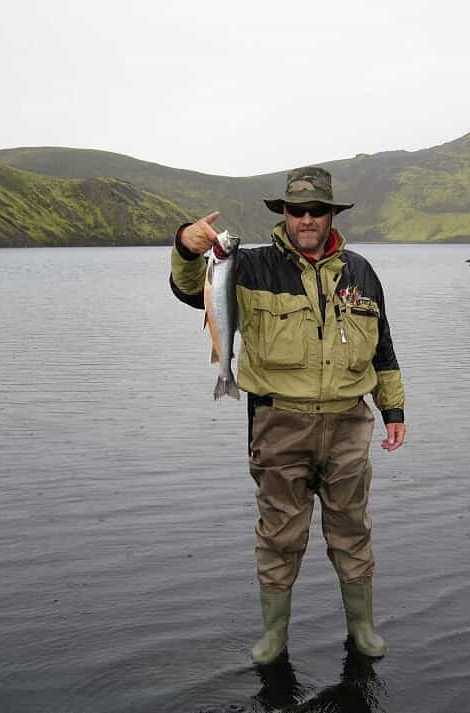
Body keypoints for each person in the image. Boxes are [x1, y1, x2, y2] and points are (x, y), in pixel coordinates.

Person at [169, 166, 406, 664]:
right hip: (279, 426)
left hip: (348, 424)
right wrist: (188, 249)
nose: (306, 219)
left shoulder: (361, 272)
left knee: (352, 529)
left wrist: (394, 409)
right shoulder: (247, 267)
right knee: (280, 535)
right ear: (284, 215)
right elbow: (194, 292)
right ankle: (274, 636)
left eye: (316, 211)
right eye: (296, 210)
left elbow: (383, 345)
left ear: (330, 216)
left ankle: (362, 626)